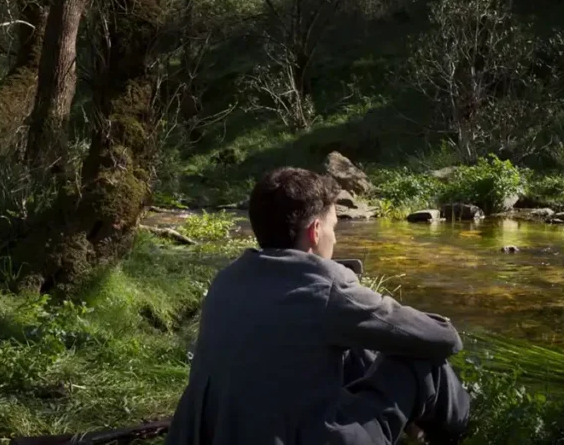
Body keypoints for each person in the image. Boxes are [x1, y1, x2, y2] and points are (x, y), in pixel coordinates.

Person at [166, 167, 471, 445]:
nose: (335, 239)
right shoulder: (325, 286)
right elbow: (444, 338)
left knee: (357, 349)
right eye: (333, 228)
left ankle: (417, 429)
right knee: (424, 362)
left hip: (210, 435)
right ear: (314, 231)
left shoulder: (226, 279)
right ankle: (458, 433)